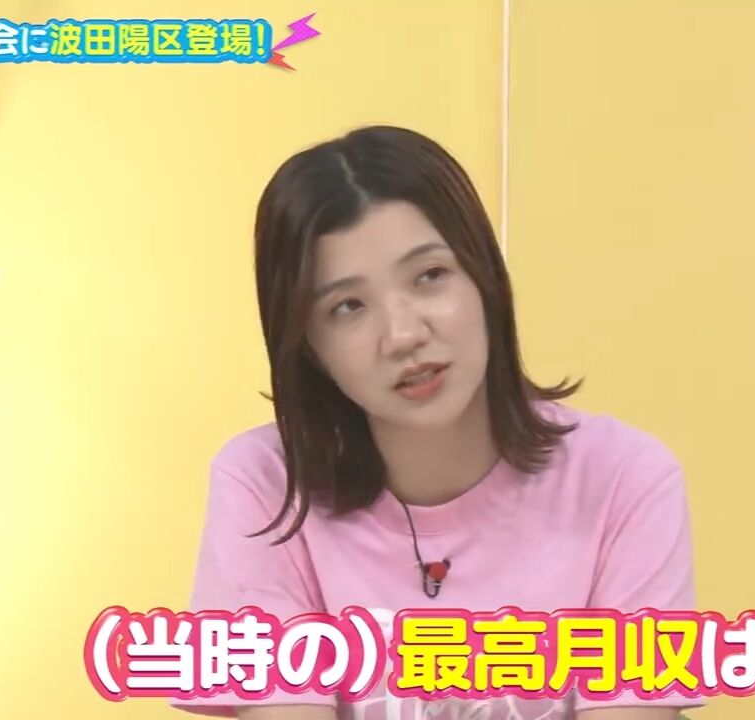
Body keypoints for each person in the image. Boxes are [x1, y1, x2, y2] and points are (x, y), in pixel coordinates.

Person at [173, 125, 703, 720]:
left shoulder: (623, 480)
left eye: (429, 276)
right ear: (308, 345)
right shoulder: (266, 487)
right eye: (348, 306)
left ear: (484, 277)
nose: (403, 335)